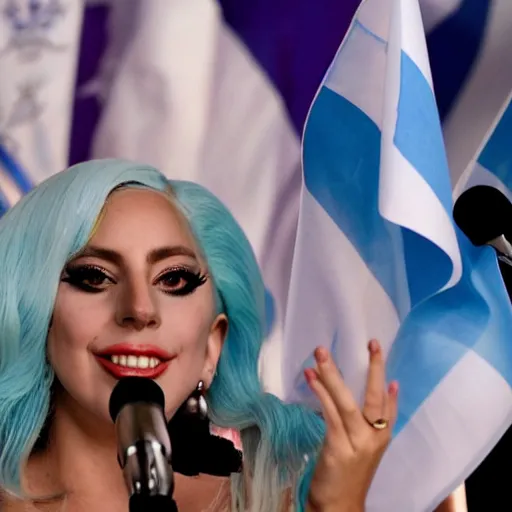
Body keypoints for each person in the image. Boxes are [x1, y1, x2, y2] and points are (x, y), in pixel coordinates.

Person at [0, 159, 398, 511]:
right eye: (95, 276)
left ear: (213, 343)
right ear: (37, 317)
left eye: (173, 279)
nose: (139, 310)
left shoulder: (280, 503)